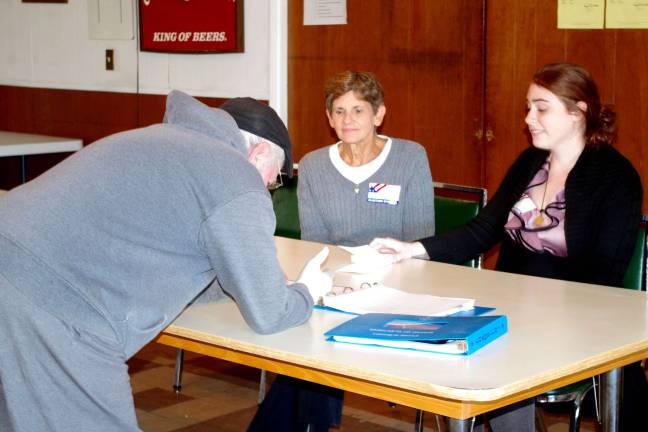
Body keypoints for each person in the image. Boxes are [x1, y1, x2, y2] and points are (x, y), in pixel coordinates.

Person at [0, 90, 333, 432]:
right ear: (259, 152)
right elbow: (270, 315)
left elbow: (165, 254)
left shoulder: (156, 138)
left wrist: (248, 282)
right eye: (273, 177)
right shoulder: (236, 176)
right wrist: (307, 290)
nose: (267, 188)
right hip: (58, 303)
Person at [370, 62, 646, 431]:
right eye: (528, 107)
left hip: (577, 320)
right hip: (513, 310)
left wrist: (539, 310)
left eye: (541, 108)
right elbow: (484, 229)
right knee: (448, 342)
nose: (529, 118)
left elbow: (604, 274)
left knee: (492, 355)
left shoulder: (617, 177)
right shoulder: (532, 161)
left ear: (578, 111)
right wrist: (412, 249)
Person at [249, 71, 435, 431]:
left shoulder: (410, 157)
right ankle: (314, 425)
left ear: (378, 114)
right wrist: (340, 280)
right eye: (339, 111)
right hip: (337, 279)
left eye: (358, 110)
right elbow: (316, 241)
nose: (348, 120)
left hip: (397, 280)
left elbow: (420, 239)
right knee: (311, 331)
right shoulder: (316, 164)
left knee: (315, 342)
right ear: (329, 118)